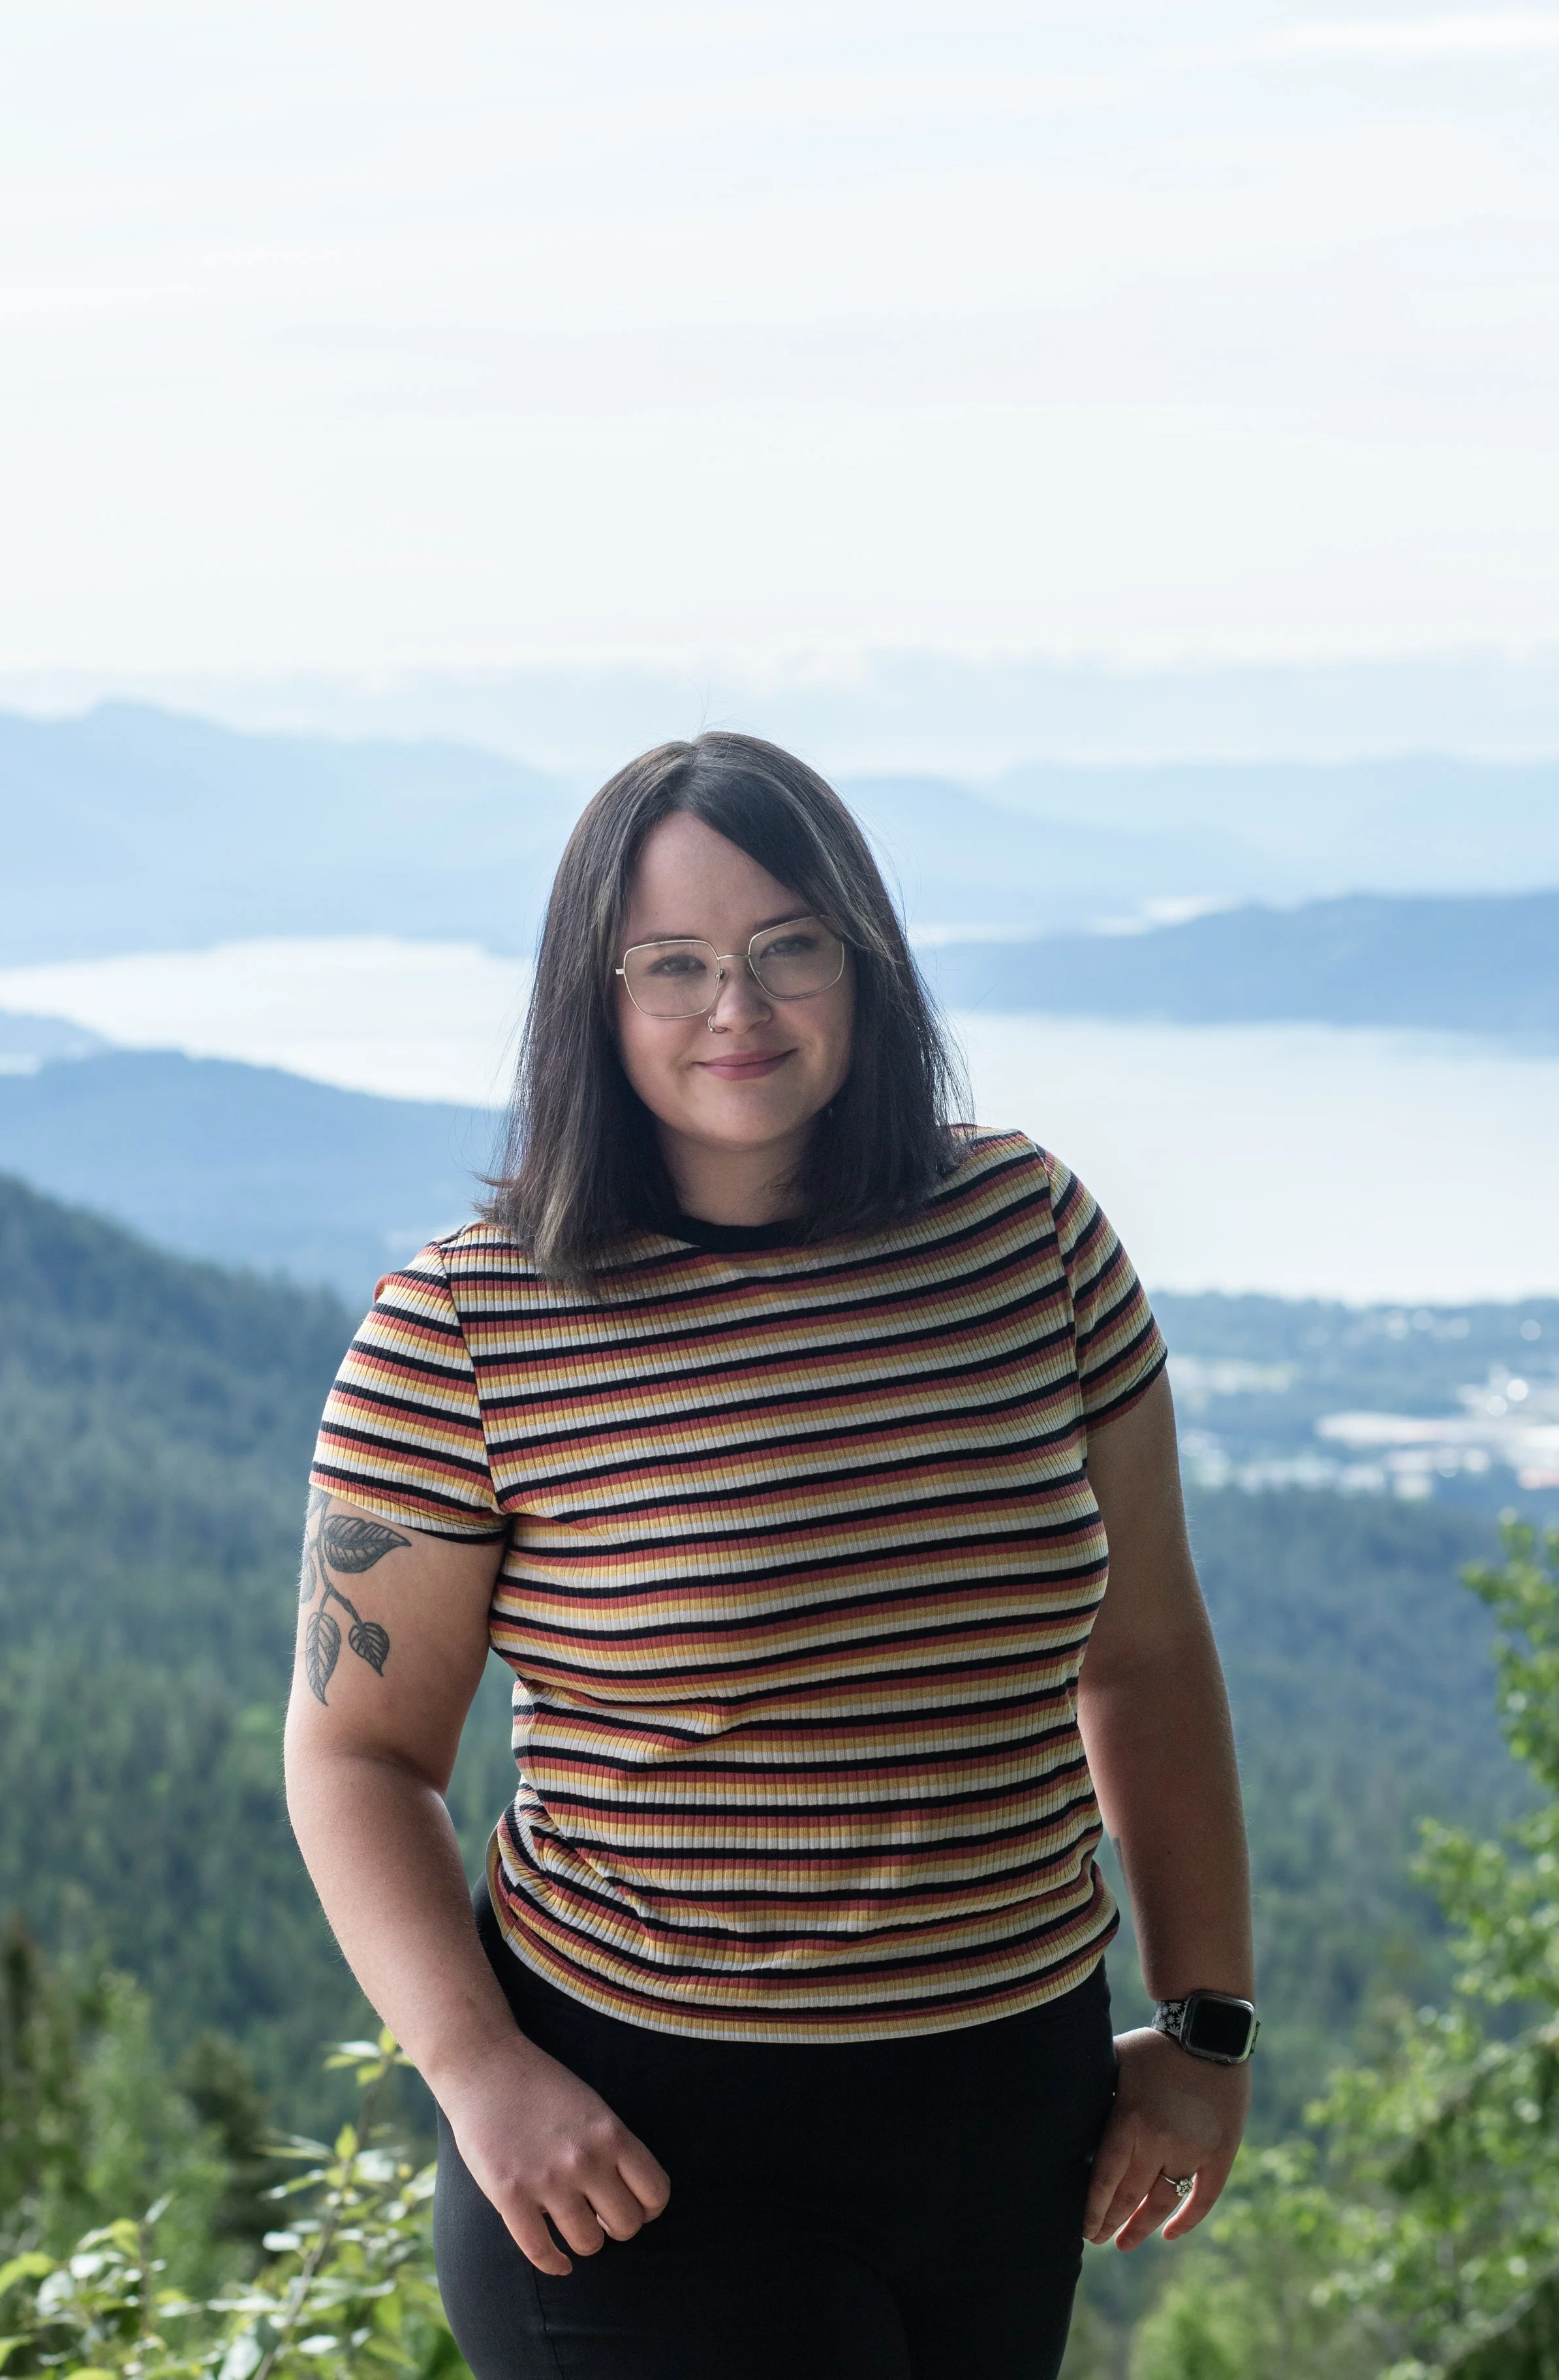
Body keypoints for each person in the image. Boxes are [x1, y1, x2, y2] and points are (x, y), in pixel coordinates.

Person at [284, 732, 1255, 2380]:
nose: (734, 1008)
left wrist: (1201, 2027)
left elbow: (1147, 1651)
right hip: (640, 2163)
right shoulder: (465, 1319)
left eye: (785, 947)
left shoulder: (1027, 1236)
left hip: (1009, 2132)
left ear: (864, 962)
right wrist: (476, 2072)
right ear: (591, 999)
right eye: (670, 965)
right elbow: (356, 1751)